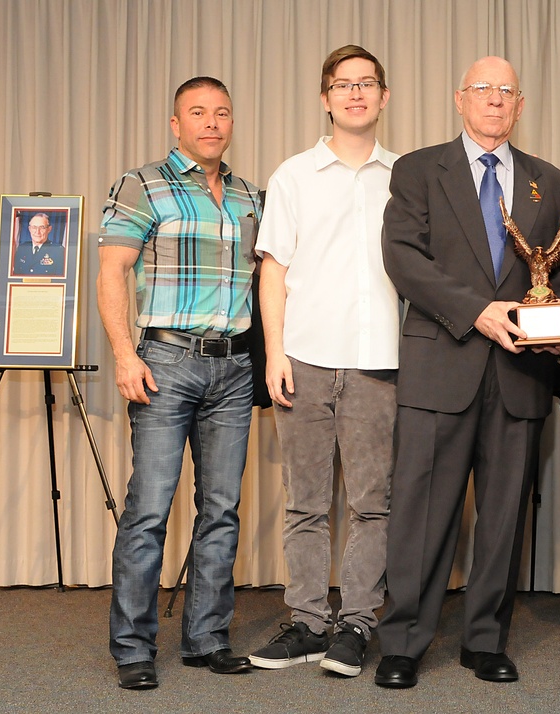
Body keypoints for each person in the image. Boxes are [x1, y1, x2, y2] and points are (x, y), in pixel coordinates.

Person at [373, 56, 560, 689]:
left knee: (503, 514)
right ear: (459, 100)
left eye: (506, 91)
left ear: (519, 106)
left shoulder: (551, 181)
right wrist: (477, 311)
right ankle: (404, 642)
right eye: (483, 89)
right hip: (442, 361)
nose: (495, 99)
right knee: (421, 511)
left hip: (521, 373)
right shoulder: (417, 170)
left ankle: (486, 638)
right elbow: (402, 256)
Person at [97, 76, 262, 690]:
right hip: (164, 363)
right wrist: (123, 355)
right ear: (176, 123)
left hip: (235, 367)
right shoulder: (142, 185)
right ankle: (133, 647)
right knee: (149, 510)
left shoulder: (249, 195)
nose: (211, 123)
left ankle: (206, 638)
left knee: (221, 509)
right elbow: (111, 272)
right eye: (198, 113)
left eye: (222, 112)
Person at [247, 45, 399, 678]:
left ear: (384, 97)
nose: (355, 94)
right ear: (325, 96)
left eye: (367, 84)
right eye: (344, 84)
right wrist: (275, 353)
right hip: (304, 358)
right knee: (305, 502)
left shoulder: (408, 175)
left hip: (380, 362)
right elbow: (274, 269)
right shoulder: (292, 176)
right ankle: (308, 623)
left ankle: (359, 622)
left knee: (373, 503)